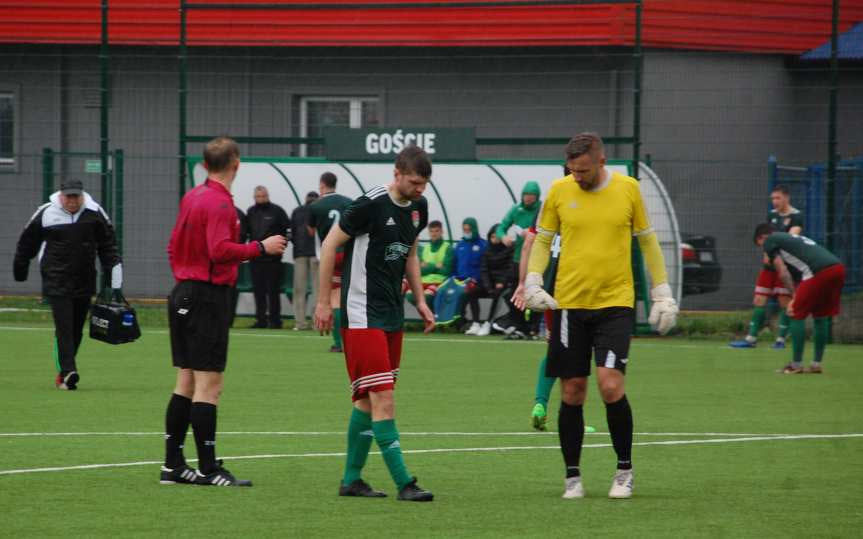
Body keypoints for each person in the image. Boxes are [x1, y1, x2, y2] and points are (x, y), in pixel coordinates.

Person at [519, 133, 678, 499]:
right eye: (573, 170)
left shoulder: (629, 189)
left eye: (584, 170)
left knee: (610, 385)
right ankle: (572, 477)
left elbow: (648, 239)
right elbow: (542, 239)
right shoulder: (559, 190)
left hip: (615, 304)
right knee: (572, 391)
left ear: (601, 161)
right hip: (568, 305)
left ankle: (624, 470)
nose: (577, 177)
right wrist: (532, 281)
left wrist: (662, 292)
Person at [161, 137, 286, 487]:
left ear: (204, 164)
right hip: (207, 296)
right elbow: (219, 251)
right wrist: (261, 247)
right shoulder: (218, 204)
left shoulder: (193, 197)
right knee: (209, 385)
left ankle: (173, 465)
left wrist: (186, 276)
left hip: (184, 293)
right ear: (236, 163)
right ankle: (207, 469)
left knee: (186, 380)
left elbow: (172, 246)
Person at [314, 145, 435, 502]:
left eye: (424, 184)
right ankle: (405, 483)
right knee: (384, 398)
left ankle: (351, 480)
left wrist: (421, 300)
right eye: (414, 182)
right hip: (361, 313)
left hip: (392, 316)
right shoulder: (369, 204)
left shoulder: (419, 208)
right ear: (397, 174)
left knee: (367, 401)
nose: (420, 190)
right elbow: (329, 245)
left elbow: (410, 253)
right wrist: (323, 301)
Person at [13, 179, 123, 391]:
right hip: (56, 279)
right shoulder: (46, 213)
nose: (72, 201)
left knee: (76, 329)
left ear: (82, 195)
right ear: (61, 195)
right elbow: (27, 243)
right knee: (64, 327)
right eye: (69, 197)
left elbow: (108, 246)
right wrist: (20, 270)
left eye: (76, 197)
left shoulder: (94, 212)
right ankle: (68, 371)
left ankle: (64, 372)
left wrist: (115, 278)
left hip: (84, 280)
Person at [752, 223, 845, 374]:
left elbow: (782, 271)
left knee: (794, 312)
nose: (765, 252)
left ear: (762, 238)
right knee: (821, 317)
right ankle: (816, 364)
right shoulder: (790, 238)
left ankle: (796, 365)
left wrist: (794, 295)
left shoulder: (770, 241)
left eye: (760, 246)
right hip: (837, 268)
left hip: (818, 271)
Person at [731, 184, 804, 349]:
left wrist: (774, 244)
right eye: (772, 198)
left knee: (785, 303)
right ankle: (751, 338)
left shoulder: (796, 216)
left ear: (787, 197)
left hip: (785, 267)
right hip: (769, 267)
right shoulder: (771, 215)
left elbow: (791, 238)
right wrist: (766, 250)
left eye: (778, 198)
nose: (774, 201)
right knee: (759, 300)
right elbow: (765, 238)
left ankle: (780, 340)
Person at [308, 172, 353, 352]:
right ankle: (351, 339)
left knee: (334, 298)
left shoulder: (315, 206)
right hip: (348, 253)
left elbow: (311, 232)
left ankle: (338, 343)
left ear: (322, 185)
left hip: (330, 254)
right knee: (348, 298)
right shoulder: (349, 202)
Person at [494, 181, 542, 337]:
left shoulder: (542, 209)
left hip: (537, 259)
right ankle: (518, 325)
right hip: (517, 259)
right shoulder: (516, 209)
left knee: (536, 293)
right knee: (514, 293)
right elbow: (502, 226)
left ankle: (534, 327)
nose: (528, 198)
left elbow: (549, 228)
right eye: (526, 195)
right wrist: (503, 237)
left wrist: (533, 231)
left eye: (531, 195)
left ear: (537, 197)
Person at [246, 186, 291, 329]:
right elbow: (247, 232)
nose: (261, 199)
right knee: (258, 292)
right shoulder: (251, 212)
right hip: (255, 259)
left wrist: (281, 248)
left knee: (273, 292)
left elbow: (287, 232)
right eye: (258, 197)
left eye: (263, 196)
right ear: (254, 197)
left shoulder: (277, 211)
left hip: (273, 261)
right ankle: (260, 320)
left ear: (268, 195)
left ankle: (275, 321)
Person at [464, 225, 514, 337]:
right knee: (471, 292)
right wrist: (488, 287)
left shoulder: (510, 249)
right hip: (489, 283)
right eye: (492, 237)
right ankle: (476, 323)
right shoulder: (487, 250)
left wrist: (501, 282)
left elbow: (509, 269)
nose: (495, 239)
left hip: (503, 283)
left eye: (497, 237)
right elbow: (484, 270)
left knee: (498, 293)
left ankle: (488, 323)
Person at [406, 220, 453, 310]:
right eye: (431, 231)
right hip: (423, 281)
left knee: (427, 296)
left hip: (439, 282)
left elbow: (446, 271)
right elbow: (419, 270)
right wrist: (436, 266)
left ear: (442, 232)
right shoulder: (425, 248)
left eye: (436, 231)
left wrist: (427, 266)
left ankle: (433, 317)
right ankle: (432, 316)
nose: (434, 234)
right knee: (410, 295)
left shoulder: (448, 248)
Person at [290, 191, 319, 330]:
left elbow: (293, 234)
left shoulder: (297, 211)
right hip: (317, 254)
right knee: (317, 290)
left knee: (299, 290)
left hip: (300, 253)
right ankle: (317, 323)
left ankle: (300, 323)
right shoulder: (320, 210)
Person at [452, 217, 487, 330]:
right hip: (460, 281)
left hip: (477, 281)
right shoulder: (460, 245)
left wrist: (477, 279)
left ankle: (474, 322)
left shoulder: (483, 245)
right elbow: (454, 265)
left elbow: (485, 267)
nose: (466, 232)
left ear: (474, 229)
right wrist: (453, 279)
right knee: (447, 292)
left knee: (469, 292)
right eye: (464, 230)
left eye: (468, 230)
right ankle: (458, 322)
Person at [229, 206, 249, 328]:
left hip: (233, 259)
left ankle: (228, 319)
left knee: (230, 290)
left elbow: (243, 234)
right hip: (223, 258)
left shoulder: (238, 213)